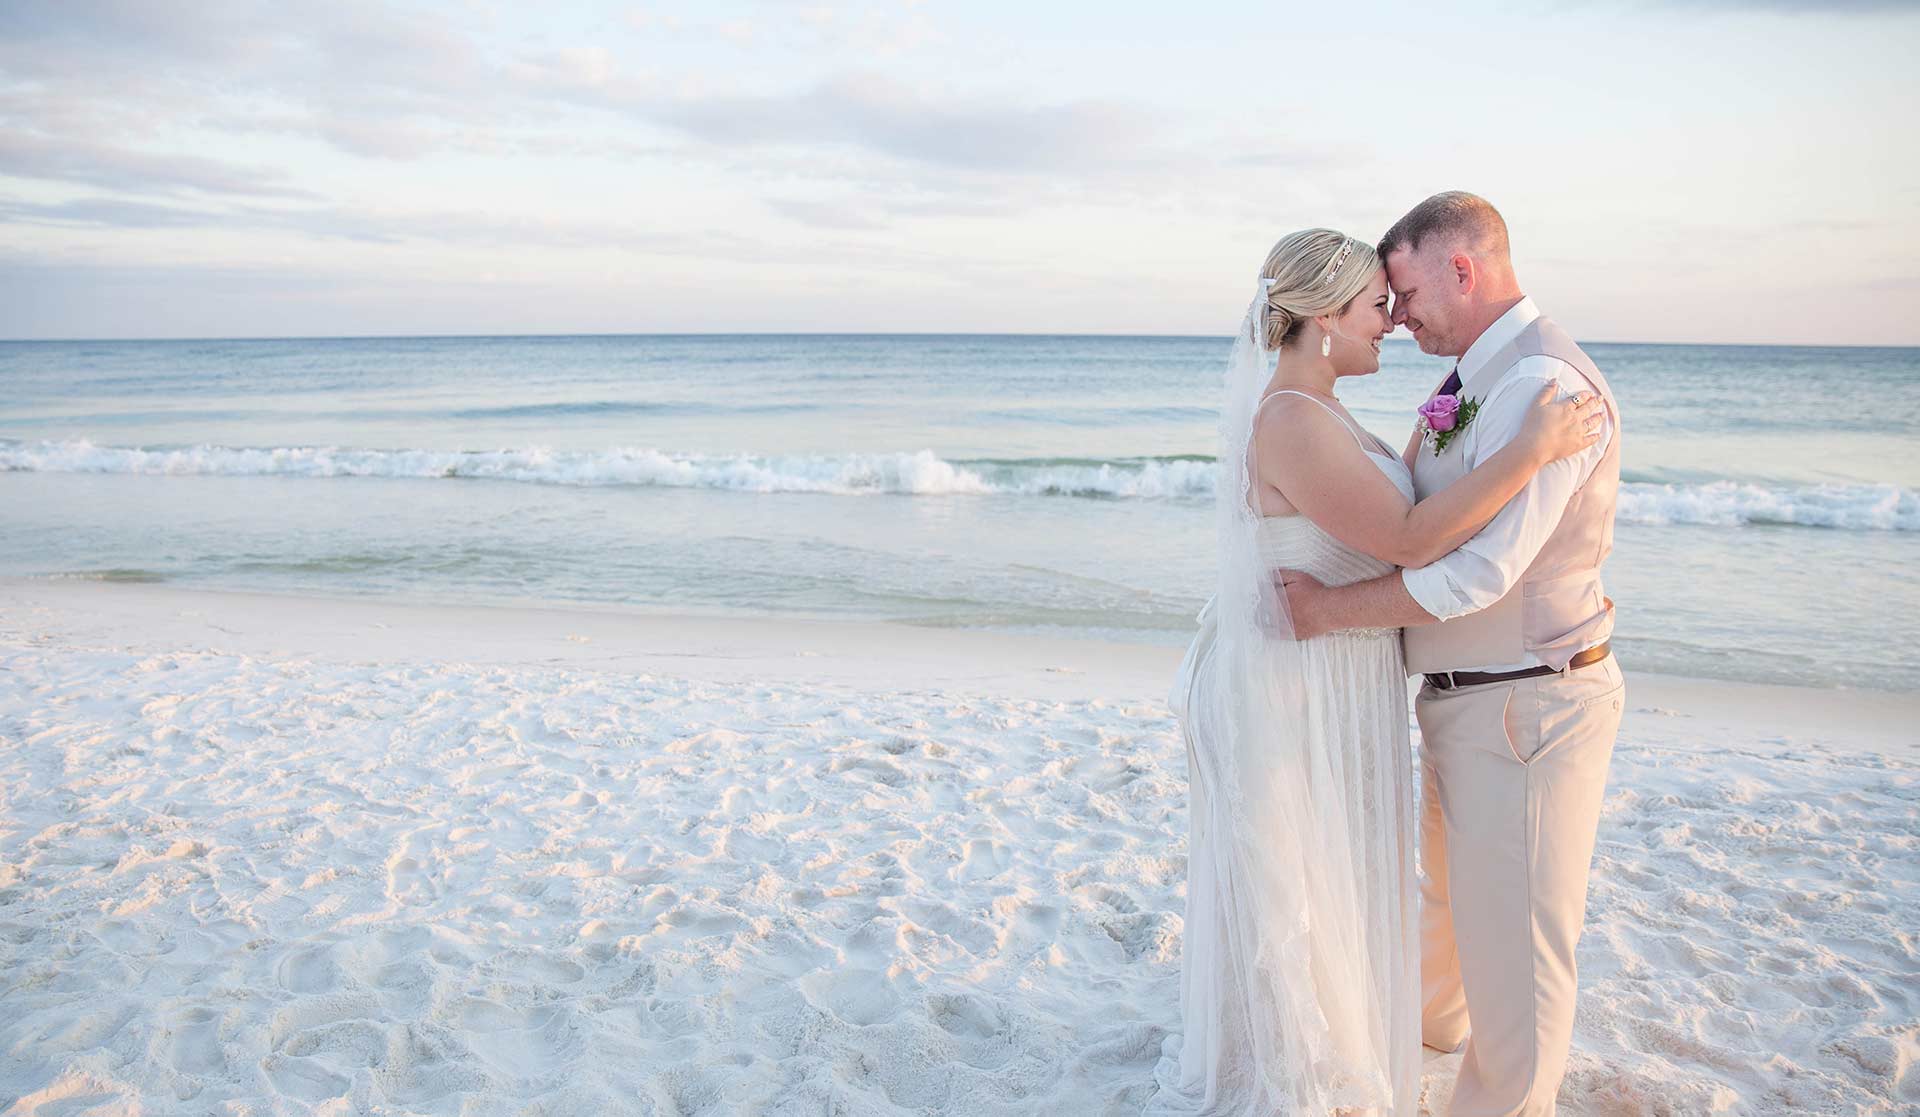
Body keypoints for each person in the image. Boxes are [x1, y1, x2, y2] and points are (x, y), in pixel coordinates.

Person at [1150, 225, 1602, 1115]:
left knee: (1326, 874)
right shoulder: (1288, 417)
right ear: (1322, 318)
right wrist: (1529, 451)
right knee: (1298, 884)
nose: (1390, 321)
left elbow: (1398, 494)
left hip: (1329, 674)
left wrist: (1473, 428)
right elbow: (1407, 538)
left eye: (1395, 302)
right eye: (1373, 306)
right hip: (1290, 684)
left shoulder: (1322, 406)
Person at [1280, 192, 1624, 1117]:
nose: (1397, 316)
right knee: (1452, 909)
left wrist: (1332, 612)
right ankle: (1434, 1046)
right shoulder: (1470, 375)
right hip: (1461, 699)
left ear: (1460, 270)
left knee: (1518, 944)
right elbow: (1411, 500)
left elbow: (1478, 575)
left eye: (1404, 291)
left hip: (1528, 700)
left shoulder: (1544, 388)